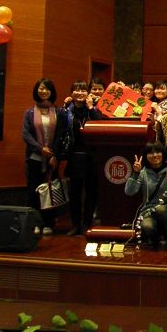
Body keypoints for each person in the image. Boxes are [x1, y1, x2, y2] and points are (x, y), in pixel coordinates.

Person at [22, 78, 68, 235]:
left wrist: (54, 155)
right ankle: (35, 223)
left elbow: (61, 135)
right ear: (36, 90)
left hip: (52, 158)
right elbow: (26, 135)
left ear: (51, 92)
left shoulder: (59, 112)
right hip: (35, 158)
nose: (44, 91)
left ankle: (49, 223)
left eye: (47, 88)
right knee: (34, 191)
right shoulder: (29, 113)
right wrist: (41, 149)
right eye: (41, 88)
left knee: (50, 190)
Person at [63, 80, 103, 236]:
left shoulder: (93, 110)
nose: (80, 93)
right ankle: (75, 224)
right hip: (74, 156)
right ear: (71, 93)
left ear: (88, 93)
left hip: (92, 156)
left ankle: (87, 223)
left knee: (91, 192)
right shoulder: (66, 111)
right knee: (75, 193)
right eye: (76, 90)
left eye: (83, 90)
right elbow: (60, 133)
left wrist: (91, 107)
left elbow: (100, 124)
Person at [125, 142, 167, 249]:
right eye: (150, 153)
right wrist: (135, 173)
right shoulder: (143, 172)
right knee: (147, 226)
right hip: (149, 211)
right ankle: (155, 241)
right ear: (146, 156)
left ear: (163, 153)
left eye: (158, 152)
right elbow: (129, 192)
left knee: (161, 209)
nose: (155, 155)